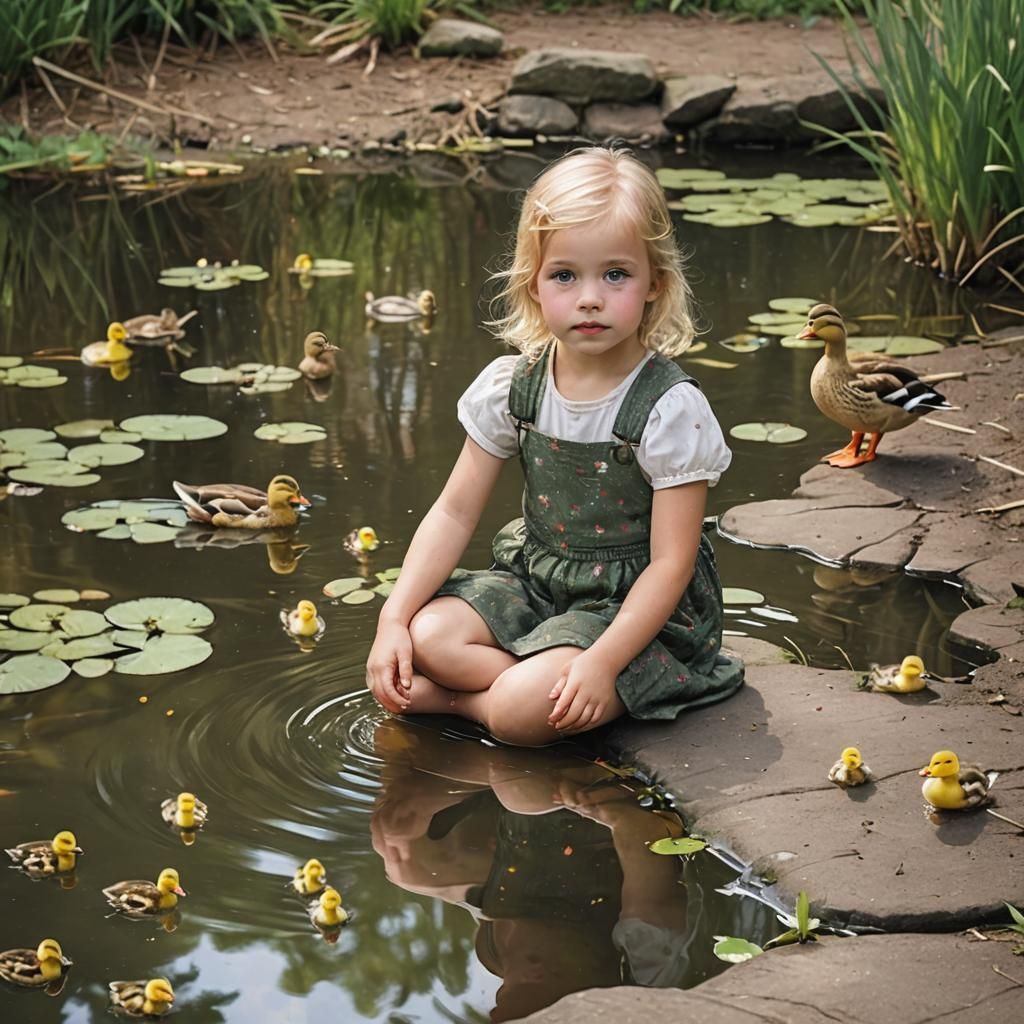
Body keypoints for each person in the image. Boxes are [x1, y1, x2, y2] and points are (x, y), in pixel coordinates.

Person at [365, 146, 743, 746]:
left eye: (615, 274)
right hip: (539, 583)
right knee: (427, 636)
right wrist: (392, 618)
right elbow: (455, 510)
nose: (589, 297)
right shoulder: (515, 386)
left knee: (519, 713)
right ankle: (520, 688)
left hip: (634, 612)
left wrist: (602, 663)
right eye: (565, 275)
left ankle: (478, 705)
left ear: (654, 284)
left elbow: (672, 563)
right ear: (534, 285)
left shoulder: (668, 408)